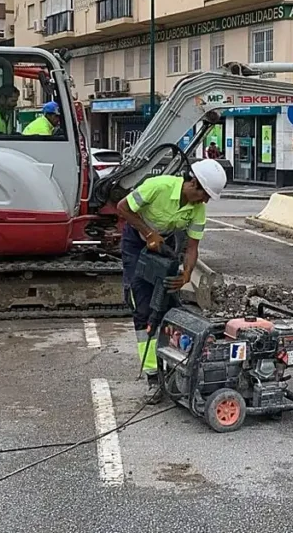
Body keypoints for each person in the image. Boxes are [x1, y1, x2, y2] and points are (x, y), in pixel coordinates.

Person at [117, 159, 229, 403]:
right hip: (137, 243)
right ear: (193, 183)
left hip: (163, 243)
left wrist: (186, 274)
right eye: (205, 195)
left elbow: (192, 246)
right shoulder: (158, 186)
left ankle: (173, 365)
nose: (205, 201)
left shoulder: (197, 209)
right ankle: (153, 377)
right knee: (144, 308)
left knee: (168, 306)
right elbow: (123, 207)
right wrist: (148, 233)